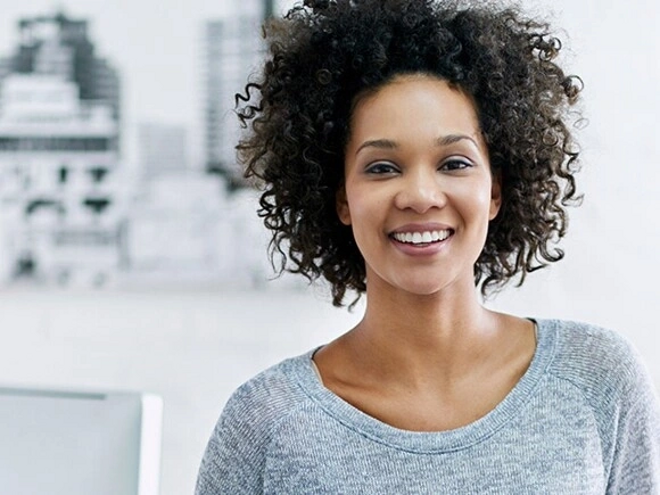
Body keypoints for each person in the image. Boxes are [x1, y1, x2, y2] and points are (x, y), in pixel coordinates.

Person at [196, 0, 660, 492]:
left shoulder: (596, 379)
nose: (420, 196)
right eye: (381, 167)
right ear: (341, 200)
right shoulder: (266, 422)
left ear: (496, 191)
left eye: (454, 163)